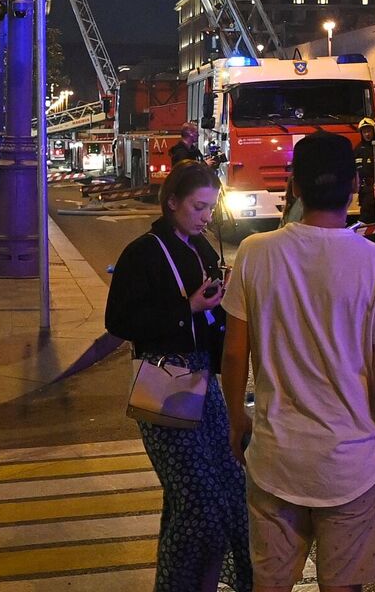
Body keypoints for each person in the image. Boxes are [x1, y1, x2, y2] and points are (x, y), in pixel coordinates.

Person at [223, 132, 375, 592]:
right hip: (351, 466)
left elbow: (233, 354)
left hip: (275, 461)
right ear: (353, 186)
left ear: (293, 188)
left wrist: (236, 422)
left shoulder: (254, 254)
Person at [106, 161, 251, 592]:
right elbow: (120, 321)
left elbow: (212, 314)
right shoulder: (143, 252)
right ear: (172, 203)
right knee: (198, 505)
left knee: (226, 492)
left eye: (210, 208)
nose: (207, 216)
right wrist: (187, 308)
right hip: (164, 387)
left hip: (205, 384)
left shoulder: (201, 247)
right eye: (198, 207)